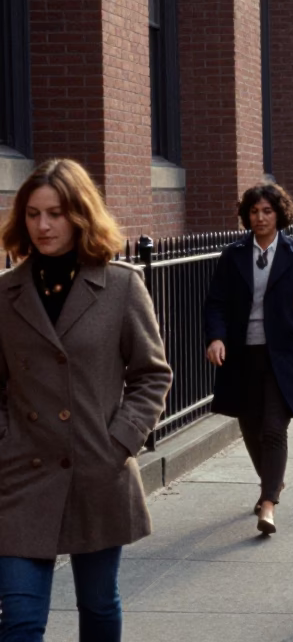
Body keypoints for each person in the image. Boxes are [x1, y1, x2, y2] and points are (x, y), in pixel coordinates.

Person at [0, 158, 172, 641]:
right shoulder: (6, 293)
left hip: (96, 468)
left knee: (97, 604)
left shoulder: (119, 286)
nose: (43, 225)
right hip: (21, 474)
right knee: (20, 620)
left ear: (79, 215)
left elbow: (151, 375)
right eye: (32, 214)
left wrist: (118, 443)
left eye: (55, 213)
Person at [203, 182, 293, 536]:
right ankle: (272, 482)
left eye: (267, 211)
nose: (260, 217)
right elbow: (216, 302)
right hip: (242, 355)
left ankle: (268, 502)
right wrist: (216, 337)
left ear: (279, 214)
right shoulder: (233, 255)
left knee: (274, 427)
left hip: (284, 355)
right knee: (251, 427)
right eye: (254, 211)